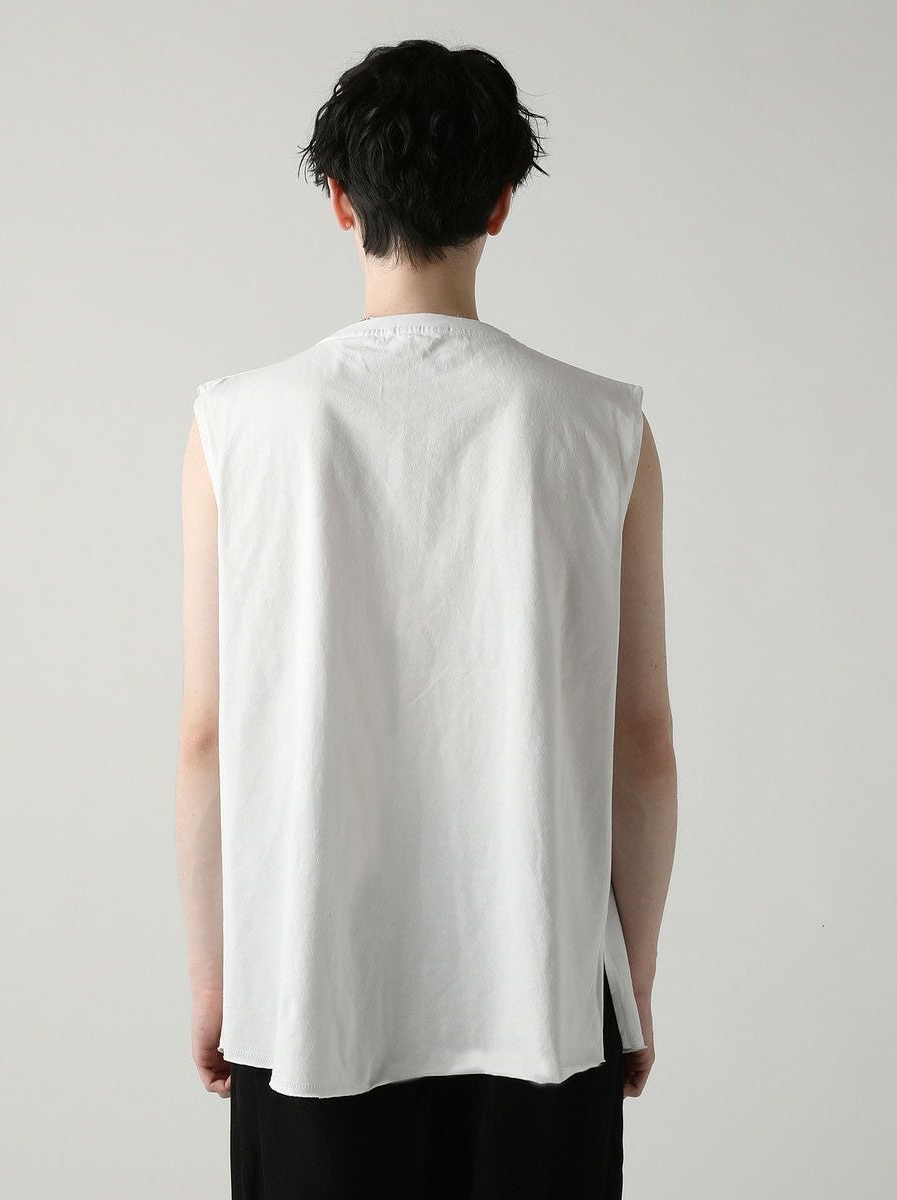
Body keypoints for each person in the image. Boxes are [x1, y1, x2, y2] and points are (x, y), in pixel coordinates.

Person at [175, 37, 677, 1200]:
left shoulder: (234, 428)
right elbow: (642, 741)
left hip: (307, 991)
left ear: (339, 198)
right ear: (501, 204)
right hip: (543, 995)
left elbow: (205, 737)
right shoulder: (604, 429)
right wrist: (629, 979)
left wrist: (214, 979)